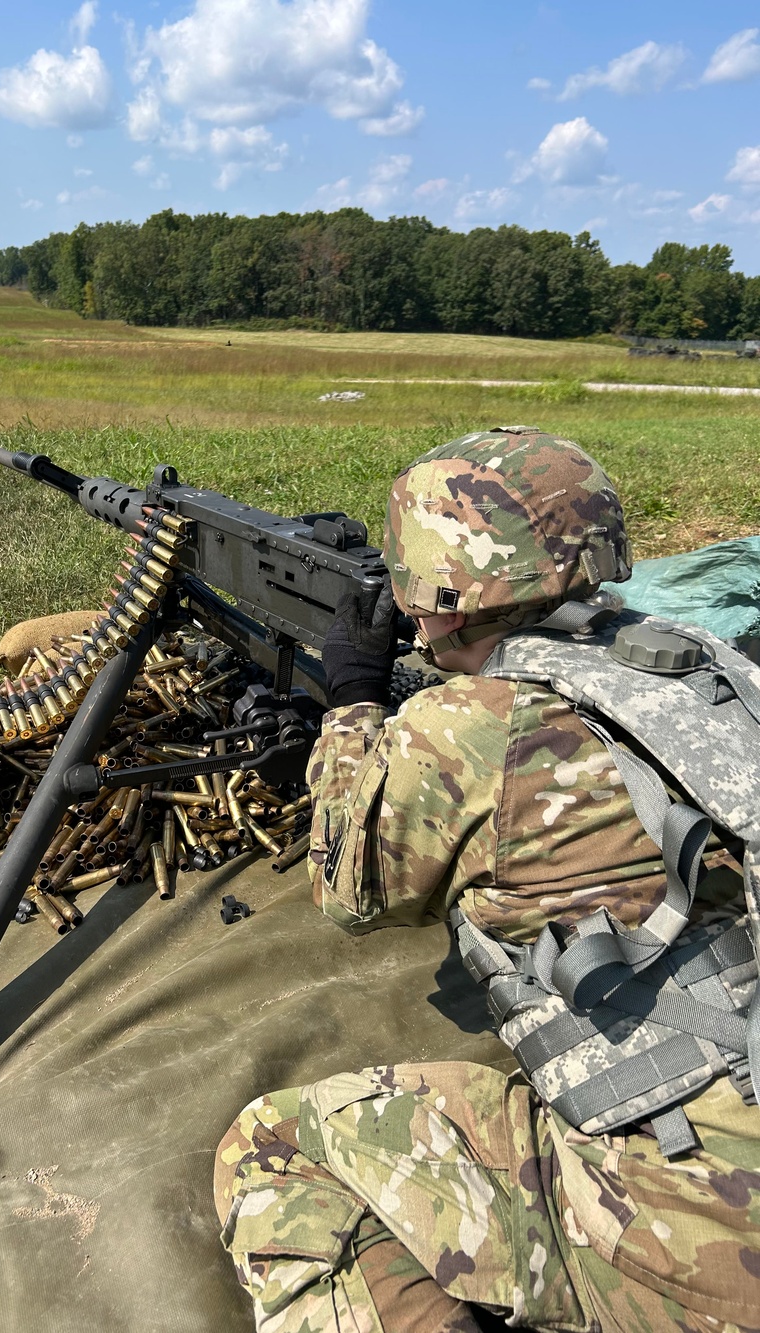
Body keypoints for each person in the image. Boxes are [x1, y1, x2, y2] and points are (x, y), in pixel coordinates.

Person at [213, 427, 760, 1333]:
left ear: (440, 590)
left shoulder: (469, 727)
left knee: (272, 1150)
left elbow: (346, 888)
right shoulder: (701, 662)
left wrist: (353, 705)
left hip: (699, 1239)